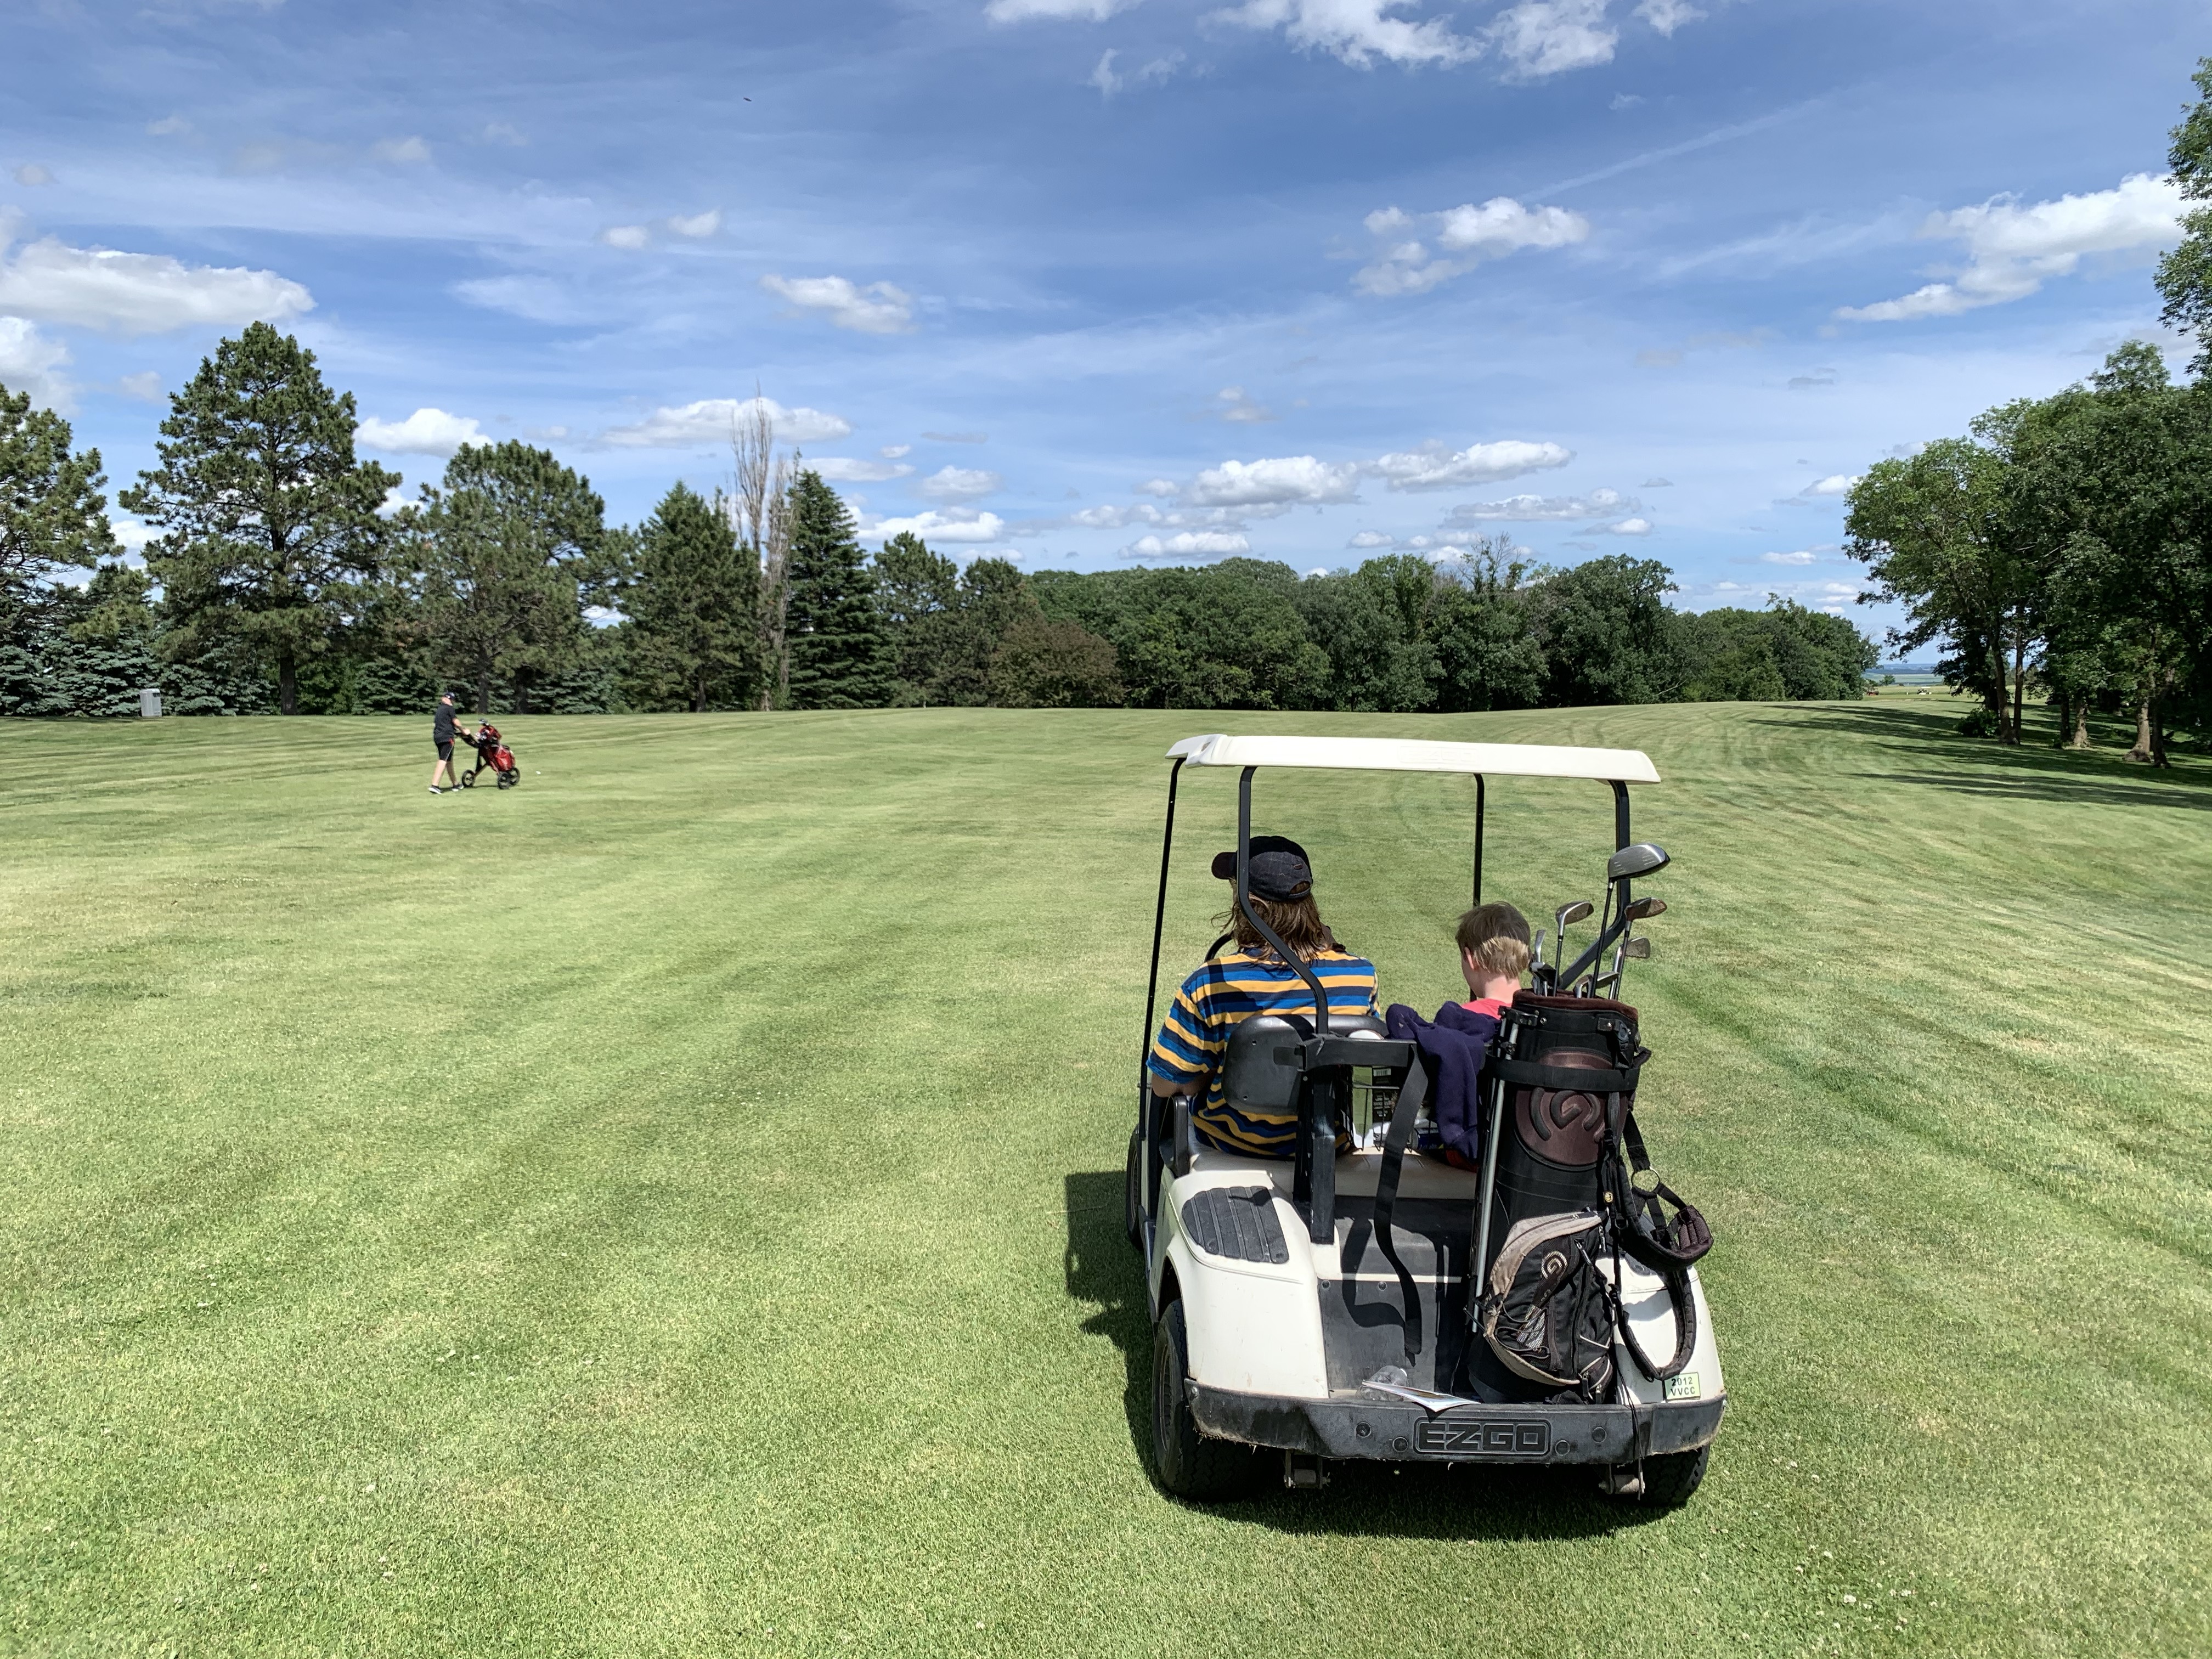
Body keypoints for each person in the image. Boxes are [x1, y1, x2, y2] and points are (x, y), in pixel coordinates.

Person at [1147, 835, 1379, 1158]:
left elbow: (1164, 1084)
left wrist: (1204, 1078)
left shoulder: (1211, 982)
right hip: (1329, 1146)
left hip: (1234, 1144)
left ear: (1247, 905)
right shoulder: (1361, 974)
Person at [1384, 901, 1533, 1168]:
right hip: (1528, 1151)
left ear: (1470, 958)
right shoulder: (1539, 1019)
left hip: (1471, 1153)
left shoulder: (1459, 1020)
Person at [428, 692, 475, 794]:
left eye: (451, 700)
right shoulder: (449, 709)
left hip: (438, 737)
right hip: (447, 738)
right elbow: (456, 722)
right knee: (443, 760)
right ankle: (435, 785)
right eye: (448, 699)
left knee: (449, 761)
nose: (450, 701)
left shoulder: (440, 709)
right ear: (444, 699)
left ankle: (455, 784)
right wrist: (464, 731)